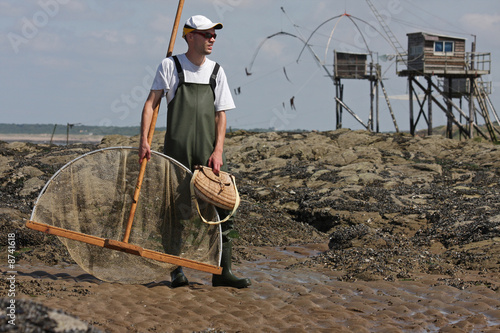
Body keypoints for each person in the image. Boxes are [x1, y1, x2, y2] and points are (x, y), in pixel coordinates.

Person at [138, 15, 251, 289]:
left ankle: (222, 272)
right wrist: (144, 140)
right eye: (206, 34)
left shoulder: (216, 71)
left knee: (225, 208)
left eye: (214, 34)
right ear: (190, 36)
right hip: (176, 154)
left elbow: (220, 115)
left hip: (208, 157)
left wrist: (218, 150)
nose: (212, 38)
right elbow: (151, 104)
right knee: (174, 212)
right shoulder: (171, 66)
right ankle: (176, 271)